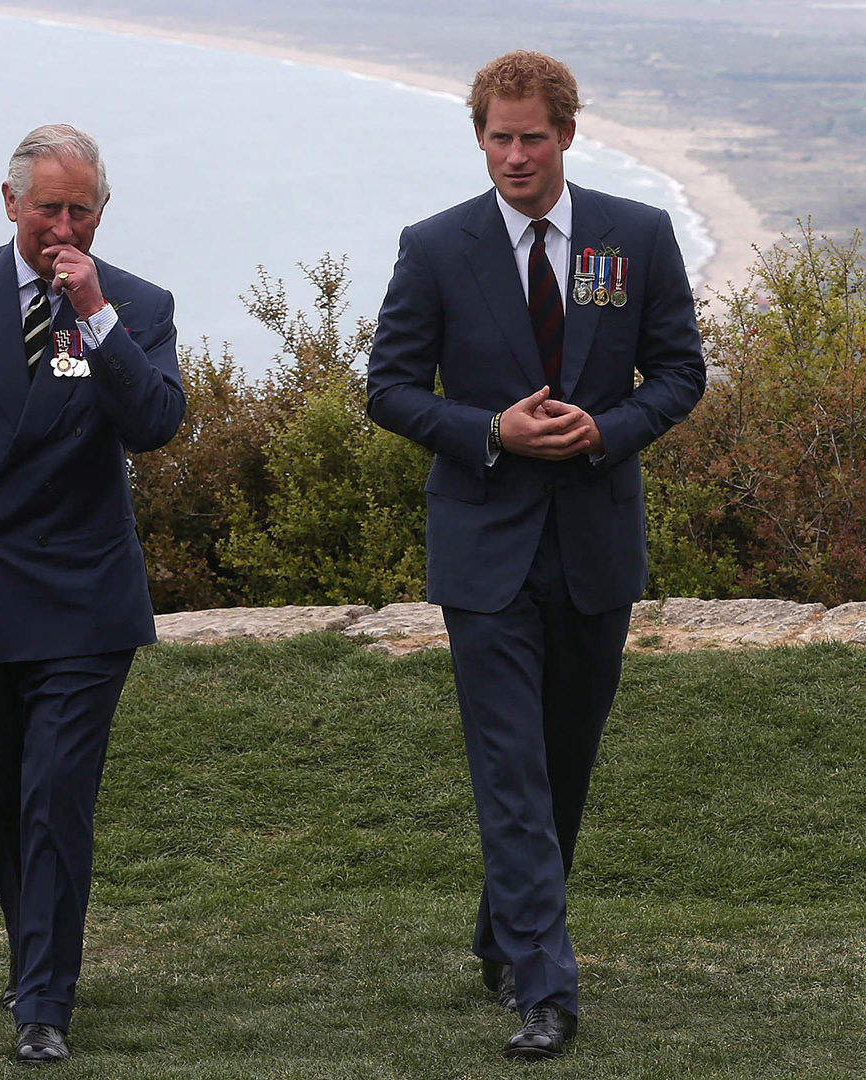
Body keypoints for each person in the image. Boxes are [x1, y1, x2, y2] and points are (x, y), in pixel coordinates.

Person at [366, 51, 705, 1060]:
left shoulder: (636, 236)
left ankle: (503, 936)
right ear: (478, 136)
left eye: (532, 137)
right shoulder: (434, 248)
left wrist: (607, 430)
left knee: (561, 769)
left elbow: (681, 368)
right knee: (510, 768)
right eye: (498, 137)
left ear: (567, 134)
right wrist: (490, 431)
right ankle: (547, 989)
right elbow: (388, 388)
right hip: (484, 554)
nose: (514, 156)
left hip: (596, 546)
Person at [0, 124, 185, 1064]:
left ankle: (43, 1000)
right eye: (47, 206)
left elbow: (155, 423)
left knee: (56, 793)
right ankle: (34, 957)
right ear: (9, 202)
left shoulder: (134, 303)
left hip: (83, 591)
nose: (62, 224)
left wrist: (95, 316)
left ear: (101, 210)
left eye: (80, 209)